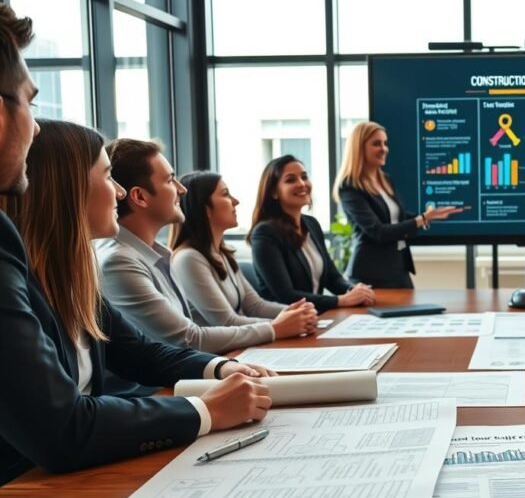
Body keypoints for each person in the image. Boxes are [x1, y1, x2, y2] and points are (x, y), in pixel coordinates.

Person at [0, 113, 274, 483]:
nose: (119, 191)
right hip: (23, 490)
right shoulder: (18, 283)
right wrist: (203, 410)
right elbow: (66, 426)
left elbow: (141, 352)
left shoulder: (72, 281)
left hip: (72, 477)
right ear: (69, 189)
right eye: (107, 175)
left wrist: (220, 368)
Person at [95, 139, 316, 353]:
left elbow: (250, 307)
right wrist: (276, 328)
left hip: (189, 372)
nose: (181, 189)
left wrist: (291, 317)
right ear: (140, 197)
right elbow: (188, 339)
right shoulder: (120, 261)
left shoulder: (157, 254)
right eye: (170, 180)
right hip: (161, 387)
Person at [170, 171, 316, 332]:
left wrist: (296, 313)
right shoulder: (188, 259)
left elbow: (255, 305)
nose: (236, 201)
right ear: (205, 208)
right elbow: (226, 322)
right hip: (220, 354)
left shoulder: (222, 254)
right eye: (226, 194)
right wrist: (282, 324)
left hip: (242, 346)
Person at [334, 121, 461, 288]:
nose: (384, 149)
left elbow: (396, 218)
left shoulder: (385, 180)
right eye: (376, 144)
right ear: (359, 148)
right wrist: (421, 219)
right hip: (371, 274)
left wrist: (430, 216)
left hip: (398, 267)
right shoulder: (350, 187)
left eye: (385, 143)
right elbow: (377, 231)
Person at [249, 154, 376, 313]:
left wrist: (355, 291)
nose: (302, 184)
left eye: (304, 177)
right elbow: (285, 295)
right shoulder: (265, 233)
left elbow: (332, 278)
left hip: (314, 319)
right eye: (290, 180)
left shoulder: (311, 224)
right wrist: (340, 300)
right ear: (274, 192)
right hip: (285, 324)